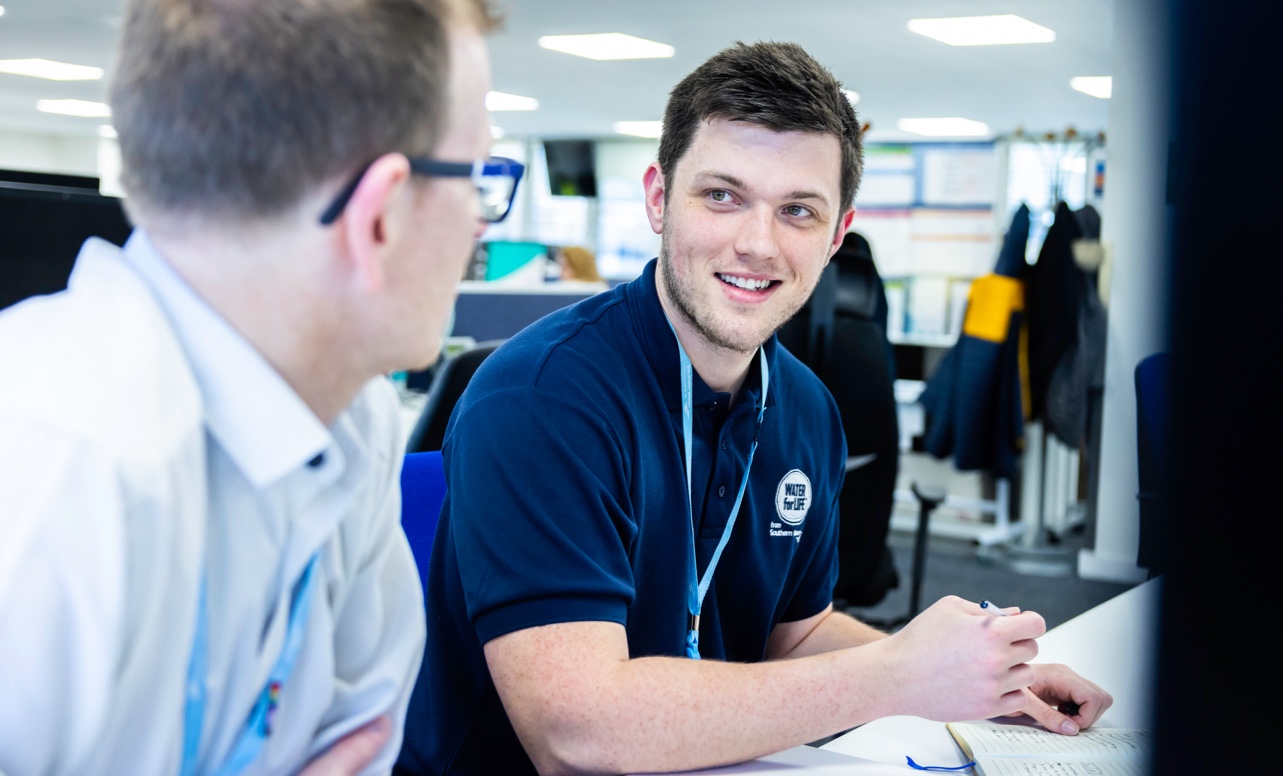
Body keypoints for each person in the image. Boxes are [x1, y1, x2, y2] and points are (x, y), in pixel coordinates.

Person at [397, 41, 1111, 775]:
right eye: (721, 196)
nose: (756, 243)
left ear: (836, 235)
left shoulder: (804, 408)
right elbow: (577, 733)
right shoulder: (543, 398)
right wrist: (895, 675)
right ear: (656, 197)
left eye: (797, 210)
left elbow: (792, 636)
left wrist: (978, 678)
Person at [0, 0, 510, 774]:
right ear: (379, 218)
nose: (481, 223)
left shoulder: (353, 413)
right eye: (476, 178)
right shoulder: (52, 462)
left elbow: (362, 741)